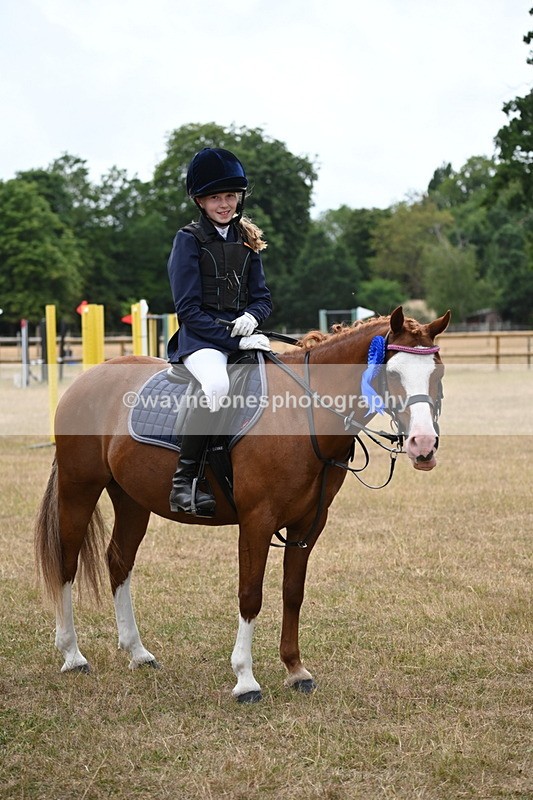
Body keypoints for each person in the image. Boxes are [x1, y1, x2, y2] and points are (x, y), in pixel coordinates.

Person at [166, 147, 273, 516]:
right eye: (216, 198)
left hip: (241, 334)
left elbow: (262, 298)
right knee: (217, 387)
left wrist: (252, 318)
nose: (225, 204)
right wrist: (233, 337)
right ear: (201, 200)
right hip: (200, 340)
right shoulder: (188, 239)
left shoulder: (246, 239)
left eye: (230, 196)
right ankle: (185, 481)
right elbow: (188, 311)